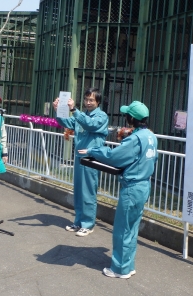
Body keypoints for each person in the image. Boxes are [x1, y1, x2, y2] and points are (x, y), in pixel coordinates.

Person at [79, 101, 158, 278]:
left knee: (123, 228)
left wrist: (94, 151)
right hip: (144, 184)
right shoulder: (151, 136)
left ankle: (120, 268)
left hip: (132, 186)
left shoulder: (135, 138)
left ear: (132, 118)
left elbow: (115, 156)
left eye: (127, 115)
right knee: (132, 227)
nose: (126, 117)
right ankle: (128, 264)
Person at [53, 87, 109, 237]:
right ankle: (78, 221)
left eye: (91, 100)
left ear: (98, 101)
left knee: (88, 191)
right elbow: (67, 122)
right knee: (78, 190)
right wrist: (58, 110)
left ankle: (88, 224)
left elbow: (90, 125)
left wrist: (75, 110)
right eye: (86, 99)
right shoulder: (81, 115)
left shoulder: (101, 116)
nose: (88, 102)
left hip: (92, 157)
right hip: (79, 157)